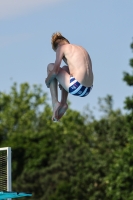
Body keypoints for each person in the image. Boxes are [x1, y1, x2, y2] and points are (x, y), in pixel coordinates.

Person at [45, 32, 93, 121]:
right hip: (88, 89)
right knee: (65, 68)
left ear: (58, 46)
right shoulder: (81, 49)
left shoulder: (61, 48)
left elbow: (55, 71)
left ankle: (55, 103)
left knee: (50, 67)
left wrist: (47, 81)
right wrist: (62, 83)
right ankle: (63, 103)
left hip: (77, 86)